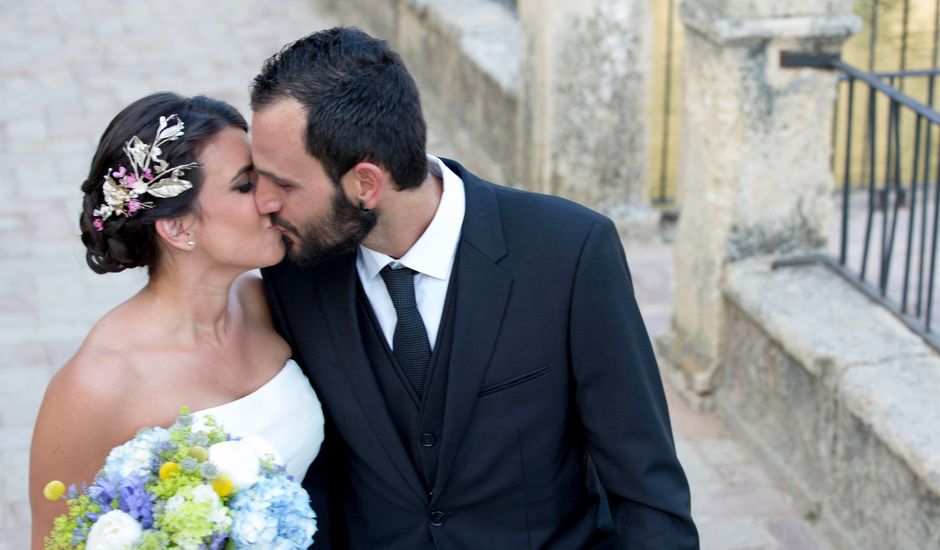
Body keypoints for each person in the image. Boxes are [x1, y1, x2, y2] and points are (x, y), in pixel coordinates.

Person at [251, 27, 698, 548]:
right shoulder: (292, 273)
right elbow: (322, 479)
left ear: (365, 183)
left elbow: (647, 487)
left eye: (283, 184)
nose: (263, 202)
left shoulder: (570, 251)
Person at [28, 92, 324, 548]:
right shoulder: (98, 384)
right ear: (178, 228)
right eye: (246, 186)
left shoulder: (266, 301)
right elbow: (54, 539)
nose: (270, 199)